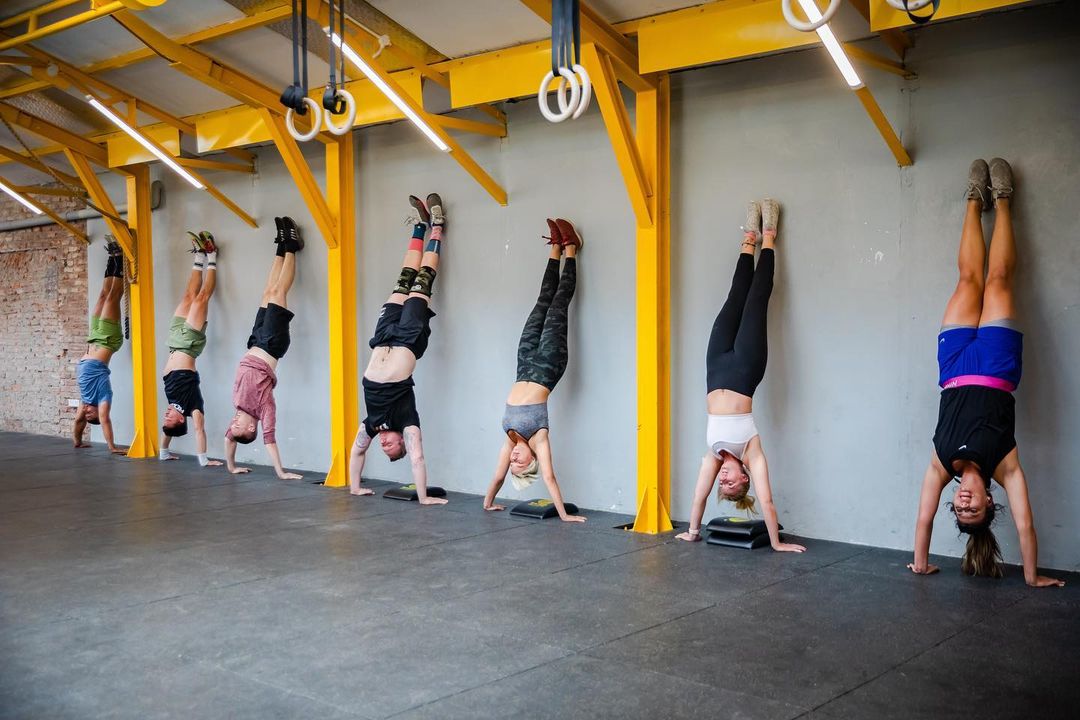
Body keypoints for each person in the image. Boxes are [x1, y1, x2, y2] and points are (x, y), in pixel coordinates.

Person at [908, 159, 1063, 587]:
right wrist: (1031, 578)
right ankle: (1005, 201)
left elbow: (923, 519)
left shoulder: (941, 463)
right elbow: (1027, 526)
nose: (962, 502)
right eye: (972, 508)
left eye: (958, 508)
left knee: (966, 281)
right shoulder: (1005, 464)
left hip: (954, 366)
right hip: (997, 365)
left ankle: (975, 201)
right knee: (997, 281)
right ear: (990, 503)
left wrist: (920, 564)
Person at [675, 201, 805, 551]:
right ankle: (769, 235)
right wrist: (777, 544)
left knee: (735, 297)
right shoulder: (753, 452)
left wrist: (692, 531)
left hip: (715, 366)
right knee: (756, 299)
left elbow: (698, 500)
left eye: (723, 484)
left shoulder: (712, 455)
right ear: (744, 477)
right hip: (747, 366)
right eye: (732, 484)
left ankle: (748, 237)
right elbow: (768, 504)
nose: (725, 480)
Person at [481, 219, 586, 523]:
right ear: (532, 461)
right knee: (558, 304)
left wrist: (488, 502)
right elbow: (550, 479)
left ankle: (554, 247)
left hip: (524, 363)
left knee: (541, 303)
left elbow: (497, 478)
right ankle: (571, 250)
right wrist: (564, 515)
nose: (513, 459)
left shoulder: (509, 438)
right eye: (520, 464)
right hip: (549, 365)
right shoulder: (539, 437)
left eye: (513, 463)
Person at [349, 194, 447, 505]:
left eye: (384, 448)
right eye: (391, 448)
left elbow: (357, 450)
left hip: (381, 338)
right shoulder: (408, 423)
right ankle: (437, 228)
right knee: (423, 281)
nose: (384, 445)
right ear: (400, 443)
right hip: (407, 339)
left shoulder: (371, 426)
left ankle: (418, 226)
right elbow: (417, 459)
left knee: (402, 281)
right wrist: (423, 497)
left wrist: (354, 487)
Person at [224, 217, 304, 480]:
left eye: (232, 427)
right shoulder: (263, 408)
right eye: (239, 428)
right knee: (279, 292)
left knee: (267, 292)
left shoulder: (238, 408)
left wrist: (231, 465)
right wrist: (280, 472)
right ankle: (292, 245)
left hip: (255, 342)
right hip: (271, 344)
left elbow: (229, 442)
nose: (233, 425)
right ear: (251, 428)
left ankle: (280, 246)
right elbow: (270, 440)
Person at [159, 231, 223, 467]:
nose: (165, 416)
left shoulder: (172, 409)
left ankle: (198, 256)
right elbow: (199, 430)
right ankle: (212, 256)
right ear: (180, 420)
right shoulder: (193, 406)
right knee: (202, 298)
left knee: (188, 296)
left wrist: (164, 451)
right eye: (170, 419)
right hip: (188, 345)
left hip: (174, 341)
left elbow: (167, 431)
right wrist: (204, 459)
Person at [73, 238, 128, 455]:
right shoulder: (103, 398)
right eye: (90, 415)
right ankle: (120, 258)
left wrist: (77, 441)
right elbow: (104, 420)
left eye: (86, 415)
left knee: (103, 296)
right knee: (113, 297)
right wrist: (112, 447)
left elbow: (78, 424)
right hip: (107, 340)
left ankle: (112, 256)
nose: (86, 413)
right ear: (96, 411)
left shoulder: (86, 402)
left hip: (94, 338)